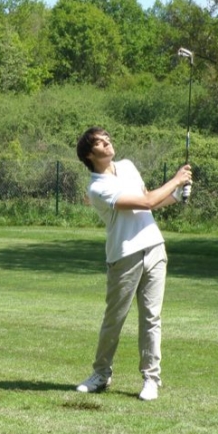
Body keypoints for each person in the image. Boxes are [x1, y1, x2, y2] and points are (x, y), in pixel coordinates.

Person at [75, 126, 192, 401]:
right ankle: (101, 374)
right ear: (91, 155)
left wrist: (175, 197)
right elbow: (147, 200)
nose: (107, 142)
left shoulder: (127, 166)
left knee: (151, 317)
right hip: (124, 255)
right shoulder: (97, 188)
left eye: (107, 138)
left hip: (154, 247)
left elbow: (149, 203)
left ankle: (151, 378)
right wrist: (176, 180)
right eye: (100, 143)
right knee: (114, 320)